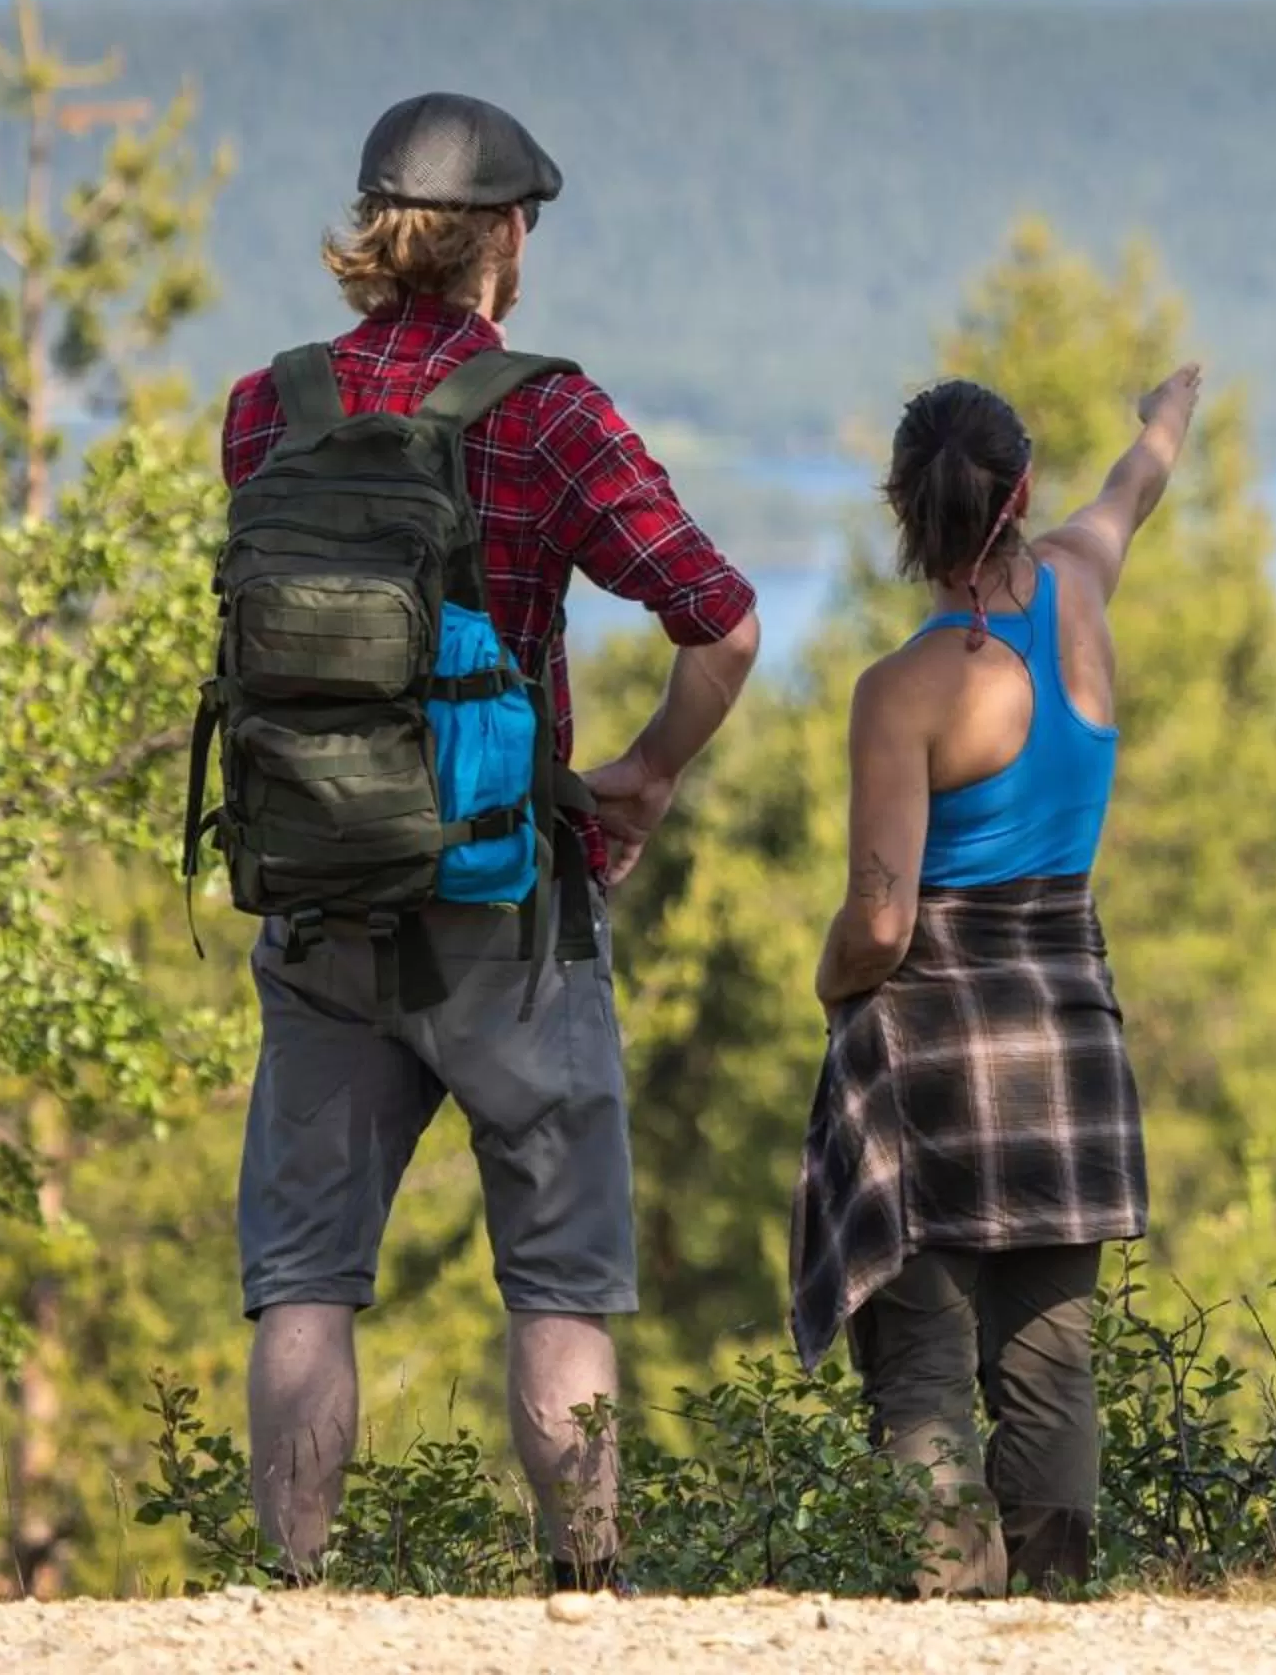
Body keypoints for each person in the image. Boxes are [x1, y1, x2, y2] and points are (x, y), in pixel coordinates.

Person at [219, 92, 761, 1588]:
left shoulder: (270, 406)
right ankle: (581, 1592)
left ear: (371, 231)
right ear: (504, 237)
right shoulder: (547, 409)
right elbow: (719, 616)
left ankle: (293, 1594)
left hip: (320, 899)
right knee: (561, 1282)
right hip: (509, 904)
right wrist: (644, 774)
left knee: (306, 1284)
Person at [790, 362, 1204, 1597]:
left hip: (934, 1050)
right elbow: (1138, 486)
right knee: (1051, 1361)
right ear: (1022, 494)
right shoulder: (1081, 582)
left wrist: (829, 984)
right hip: (1068, 1031)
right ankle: (1054, 1617)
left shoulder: (903, 692)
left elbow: (879, 919)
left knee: (922, 1361)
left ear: (906, 517)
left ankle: (949, 1617)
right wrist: (1167, 411)